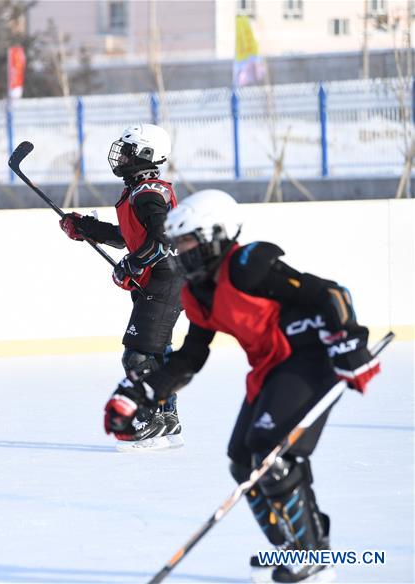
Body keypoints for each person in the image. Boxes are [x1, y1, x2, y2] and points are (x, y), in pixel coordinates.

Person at [104, 190, 382, 582]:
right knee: (241, 459)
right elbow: (189, 357)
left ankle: (311, 558)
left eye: (186, 241)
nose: (179, 251)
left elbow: (331, 293)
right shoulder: (198, 291)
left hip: (309, 360)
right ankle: (295, 546)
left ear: (216, 235)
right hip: (270, 369)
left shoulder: (249, 266)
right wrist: (142, 392)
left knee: (272, 458)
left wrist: (349, 341)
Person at [59, 123, 184, 450]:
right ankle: (167, 417)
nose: (122, 157)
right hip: (163, 280)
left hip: (163, 279)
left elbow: (163, 240)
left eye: (129, 152)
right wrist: (87, 228)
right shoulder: (142, 190)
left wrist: (133, 264)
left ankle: (150, 420)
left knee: (137, 356)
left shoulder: (149, 195)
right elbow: (131, 238)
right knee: (156, 352)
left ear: (146, 155)